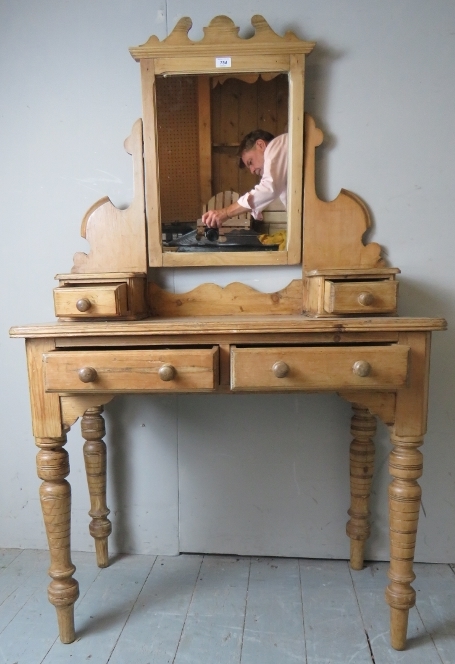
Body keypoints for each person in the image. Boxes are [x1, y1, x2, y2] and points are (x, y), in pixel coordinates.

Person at [202, 129, 288, 228]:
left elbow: (268, 188)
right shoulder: (281, 167)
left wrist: (226, 212)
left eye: (250, 162)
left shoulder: (276, 145)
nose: (252, 171)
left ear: (260, 145)